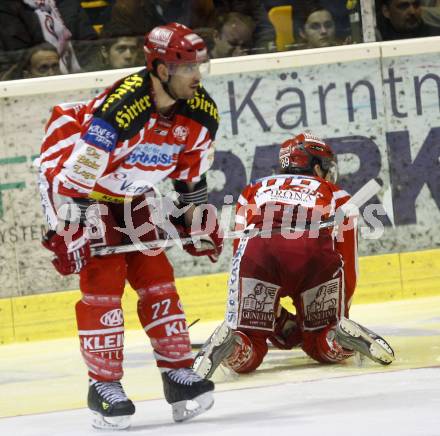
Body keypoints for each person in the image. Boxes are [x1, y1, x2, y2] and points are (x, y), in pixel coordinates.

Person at [36, 22, 223, 430]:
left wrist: (197, 221)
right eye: (186, 68)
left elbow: (190, 176)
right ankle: (103, 387)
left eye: (198, 67)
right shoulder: (120, 110)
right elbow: (71, 177)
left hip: (131, 190)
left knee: (157, 277)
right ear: (160, 70)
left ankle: (177, 374)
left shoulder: (201, 111)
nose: (197, 77)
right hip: (77, 182)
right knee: (103, 283)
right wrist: (67, 226)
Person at [192, 133, 395, 380]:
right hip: (313, 256)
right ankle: (336, 335)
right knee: (319, 343)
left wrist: (266, 315)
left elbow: (241, 253)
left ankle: (234, 343)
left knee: (251, 343)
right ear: (317, 166)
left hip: (258, 254)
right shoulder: (335, 193)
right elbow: (347, 262)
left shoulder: (252, 190)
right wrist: (340, 315)